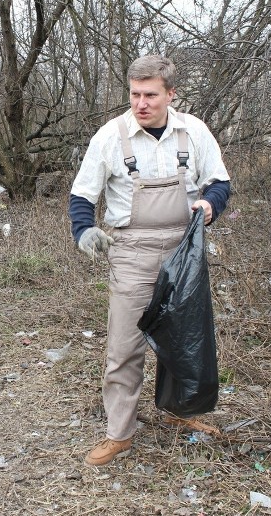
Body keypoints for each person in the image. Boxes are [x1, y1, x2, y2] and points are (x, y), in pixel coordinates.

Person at [68, 55, 231, 466]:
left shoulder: (193, 131)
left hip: (184, 249)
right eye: (135, 94)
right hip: (132, 251)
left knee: (185, 339)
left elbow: (220, 183)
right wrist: (84, 229)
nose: (141, 103)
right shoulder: (109, 136)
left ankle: (182, 413)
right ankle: (119, 433)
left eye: (151, 95)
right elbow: (82, 196)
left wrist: (210, 205)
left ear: (170, 95)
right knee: (124, 346)